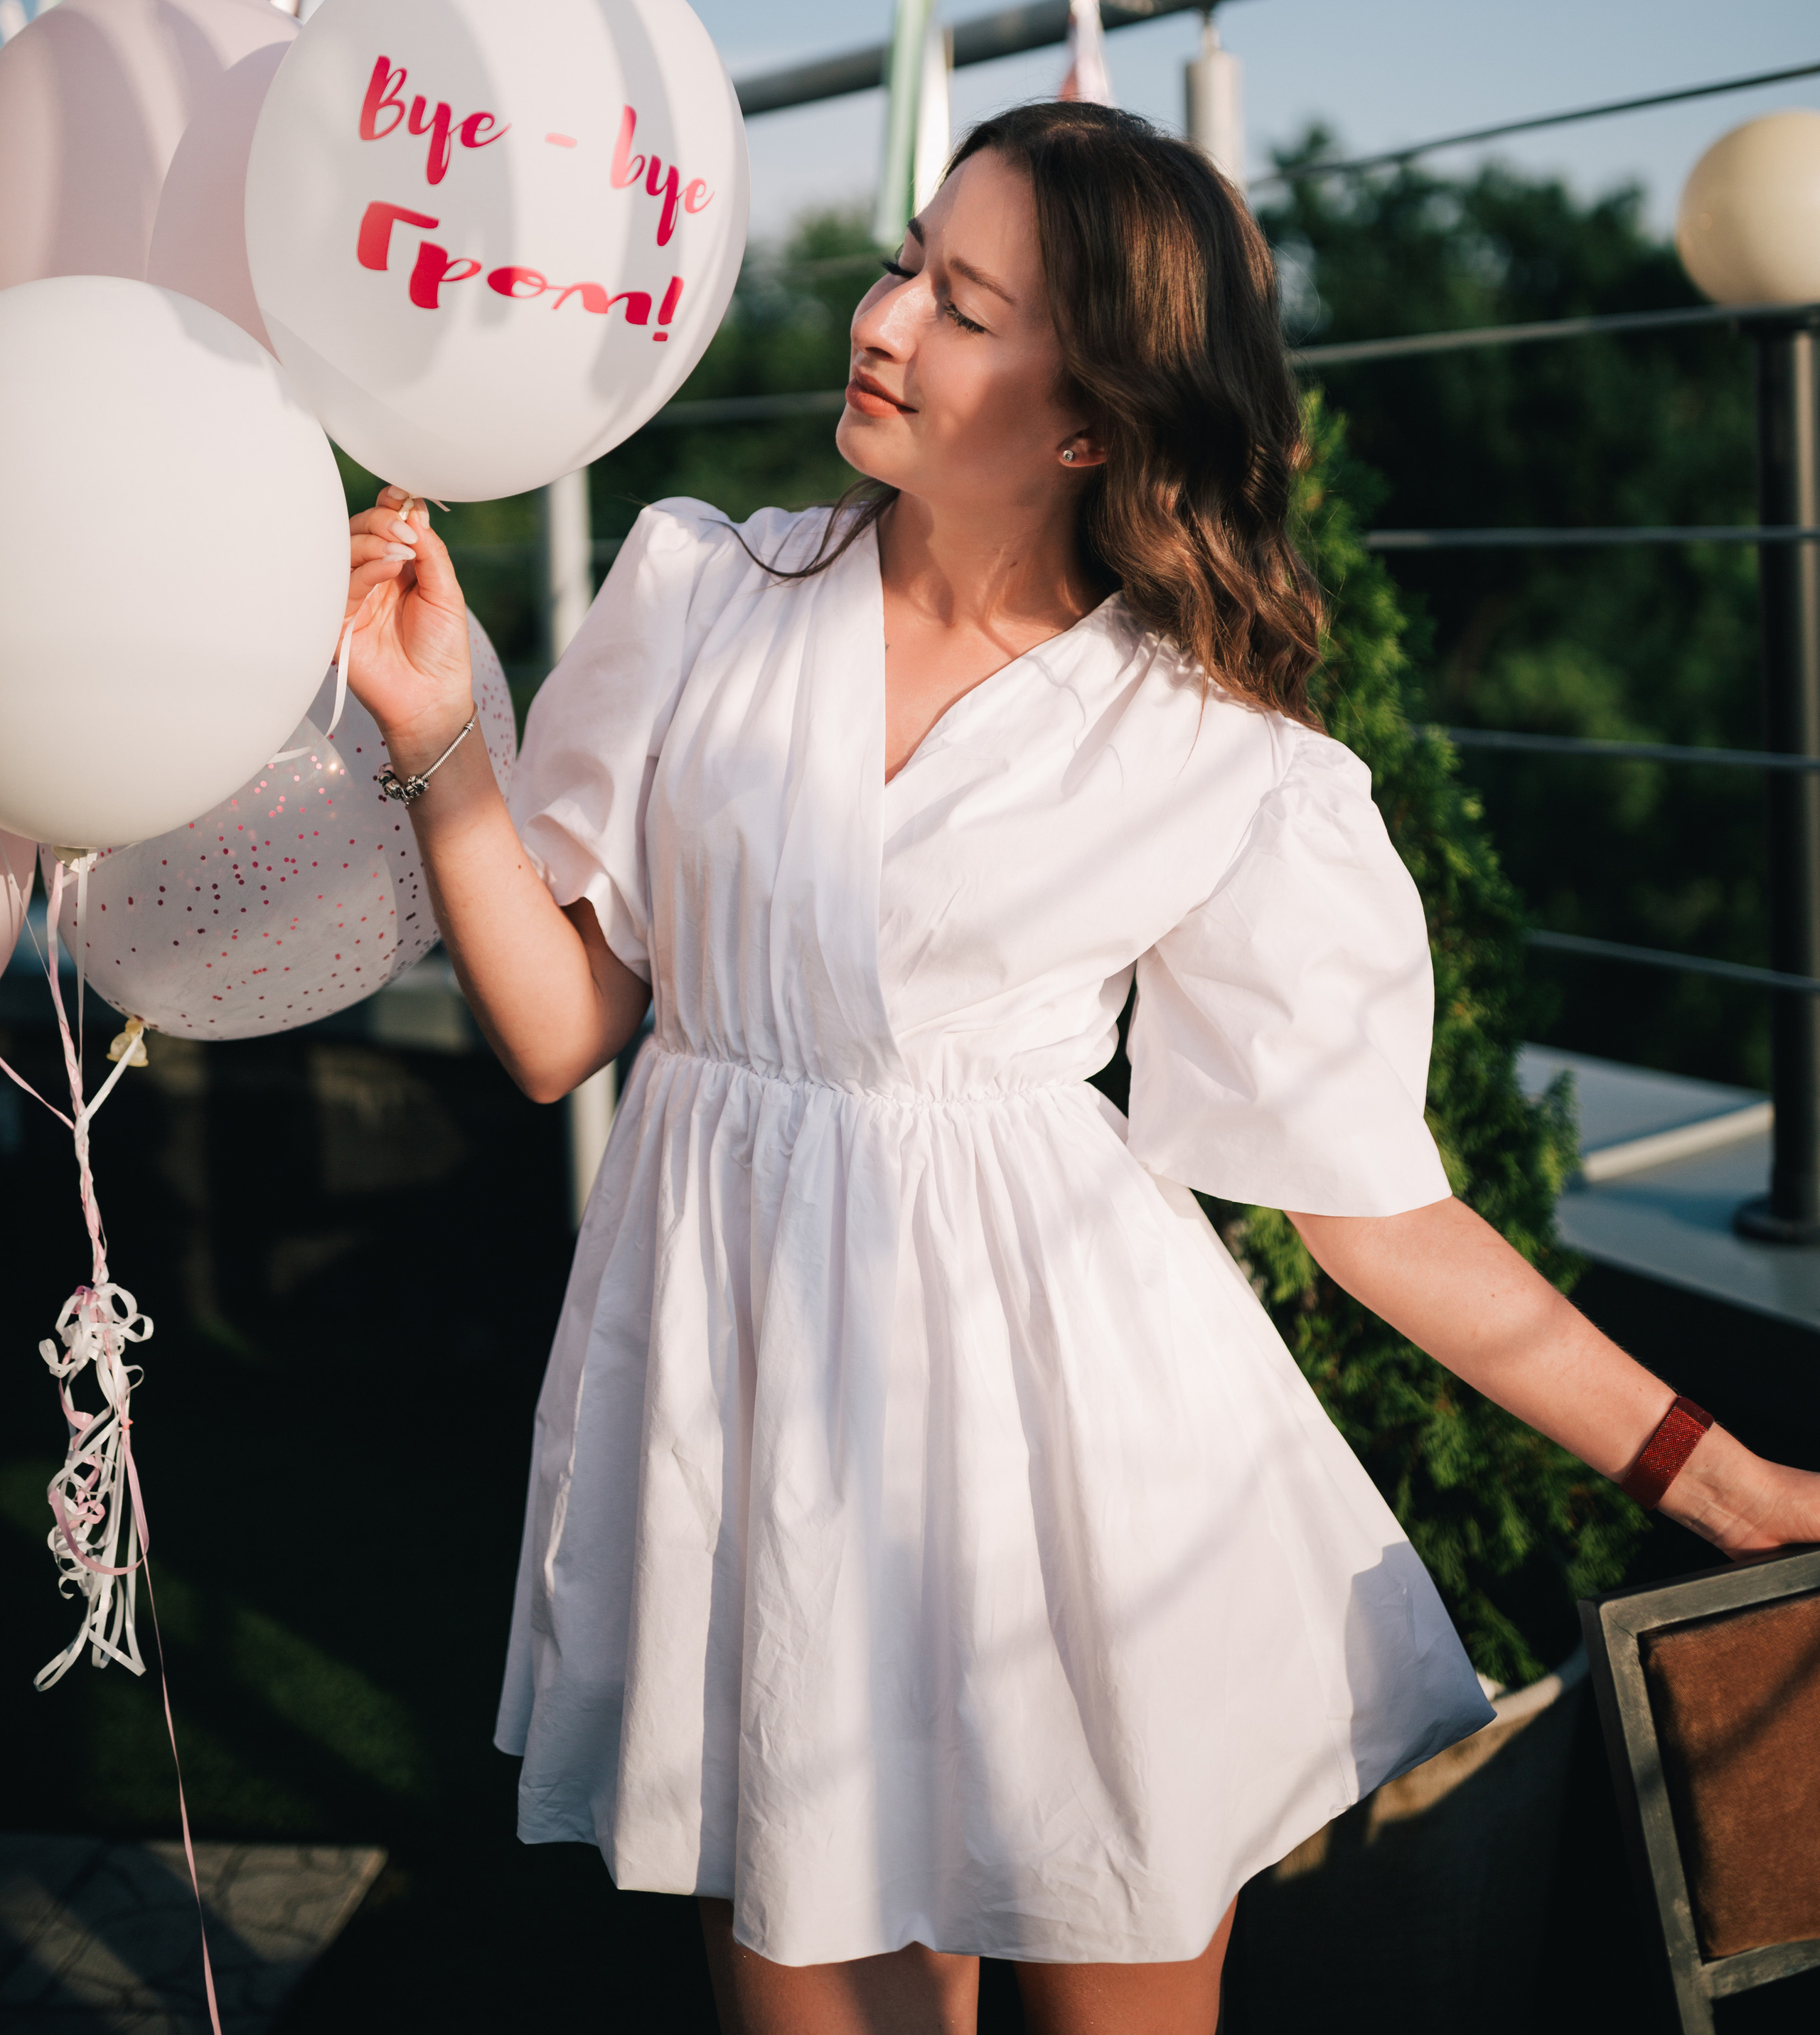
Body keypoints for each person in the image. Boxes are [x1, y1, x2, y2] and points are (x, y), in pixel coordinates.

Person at [339, 103, 1820, 2035]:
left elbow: (1374, 1212)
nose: (882, 322)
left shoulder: (1213, 752)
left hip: (1073, 1463)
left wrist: (1716, 1482)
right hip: (757, 1420)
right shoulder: (701, 595)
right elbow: (558, 1032)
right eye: (904, 266)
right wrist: (446, 740)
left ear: (1094, 420)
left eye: (964, 308)